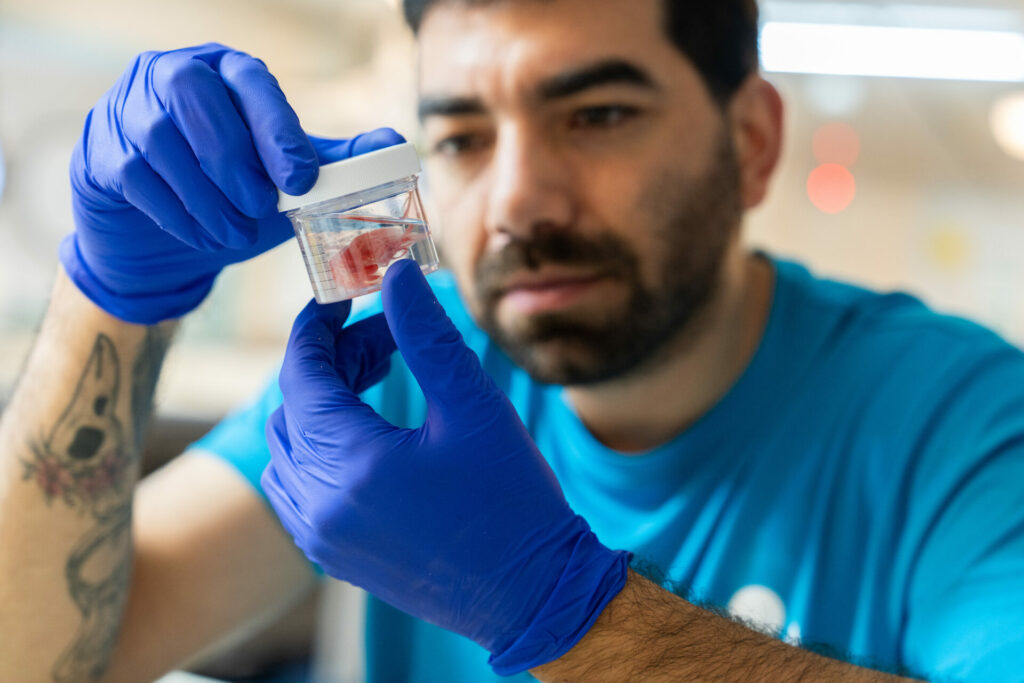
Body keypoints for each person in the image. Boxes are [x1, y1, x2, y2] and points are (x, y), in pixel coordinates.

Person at [1, 0, 1022, 680]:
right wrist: (111, 301)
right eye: (460, 138)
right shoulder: (401, 374)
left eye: (599, 114)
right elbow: (39, 655)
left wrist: (564, 610)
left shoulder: (962, 421)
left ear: (750, 142)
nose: (517, 198)